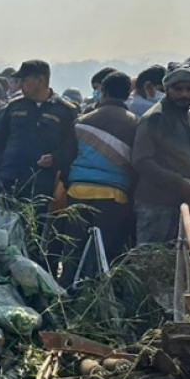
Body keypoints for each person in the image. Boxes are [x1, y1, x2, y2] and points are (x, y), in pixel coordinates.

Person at [62, 72, 139, 285]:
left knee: (72, 249)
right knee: (105, 254)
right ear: (128, 94)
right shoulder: (135, 124)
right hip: (114, 196)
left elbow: (67, 157)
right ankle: (98, 293)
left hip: (78, 191)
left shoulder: (82, 120)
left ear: (103, 92)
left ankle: (65, 292)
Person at [0, 60, 77, 206]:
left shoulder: (64, 111)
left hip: (43, 185)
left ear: (40, 81)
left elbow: (71, 147)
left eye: (24, 80)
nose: (20, 85)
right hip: (10, 180)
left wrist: (55, 158)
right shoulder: (14, 107)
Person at [132, 63, 190, 244]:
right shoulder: (154, 118)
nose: (184, 94)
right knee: (151, 257)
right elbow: (142, 161)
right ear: (167, 89)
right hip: (156, 205)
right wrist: (179, 182)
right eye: (178, 89)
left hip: (184, 204)